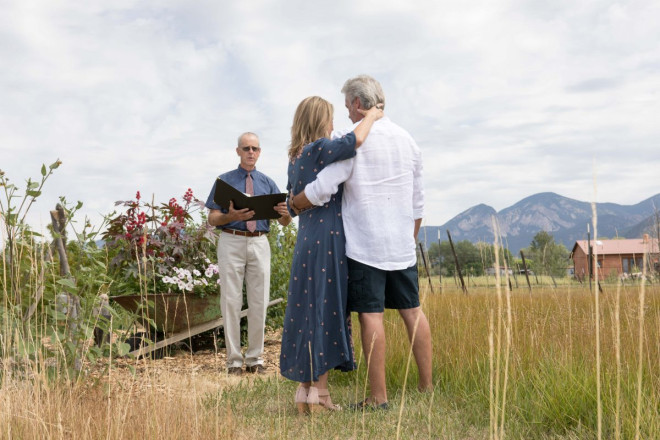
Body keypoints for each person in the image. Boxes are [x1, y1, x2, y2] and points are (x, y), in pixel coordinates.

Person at [290, 75, 433, 410]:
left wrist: (295, 204)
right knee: (412, 311)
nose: (347, 115)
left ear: (358, 103)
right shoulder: (408, 140)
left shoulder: (353, 140)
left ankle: (378, 397)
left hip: (366, 244)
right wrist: (408, 239)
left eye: (347, 107)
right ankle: (426, 387)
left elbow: (323, 187)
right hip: (401, 244)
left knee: (372, 316)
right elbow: (419, 202)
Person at [280, 96, 383, 414]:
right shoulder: (320, 149)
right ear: (318, 122)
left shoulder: (294, 158)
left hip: (305, 241)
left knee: (304, 311)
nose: (333, 125)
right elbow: (357, 139)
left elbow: (290, 207)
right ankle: (320, 396)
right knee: (325, 311)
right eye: (329, 119)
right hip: (328, 239)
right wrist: (373, 115)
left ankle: (303, 393)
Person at [206, 132, 292, 375]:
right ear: (238, 151)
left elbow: (284, 222)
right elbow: (212, 218)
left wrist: (285, 212)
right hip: (231, 240)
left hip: (259, 242)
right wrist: (231, 216)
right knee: (231, 301)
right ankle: (234, 361)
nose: (250, 152)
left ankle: (255, 359)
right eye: (246, 148)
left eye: (254, 148)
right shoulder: (224, 181)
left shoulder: (267, 182)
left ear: (260, 152)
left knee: (259, 301)